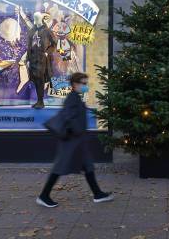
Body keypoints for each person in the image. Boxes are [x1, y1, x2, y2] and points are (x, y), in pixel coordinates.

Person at [37, 72, 113, 207]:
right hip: (71, 141)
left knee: (88, 166)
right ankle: (44, 196)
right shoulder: (72, 98)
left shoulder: (76, 97)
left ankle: (97, 193)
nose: (85, 86)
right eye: (83, 84)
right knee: (59, 168)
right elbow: (69, 117)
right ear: (75, 84)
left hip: (78, 141)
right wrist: (78, 131)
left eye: (86, 83)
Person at [27, 12, 57, 109]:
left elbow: (54, 43)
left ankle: (41, 101)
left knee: (40, 79)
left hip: (42, 59)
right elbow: (29, 46)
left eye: (38, 18)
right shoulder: (32, 31)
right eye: (35, 18)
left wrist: (47, 52)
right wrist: (27, 59)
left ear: (41, 18)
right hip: (33, 59)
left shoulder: (47, 31)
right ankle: (39, 101)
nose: (36, 19)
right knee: (36, 80)